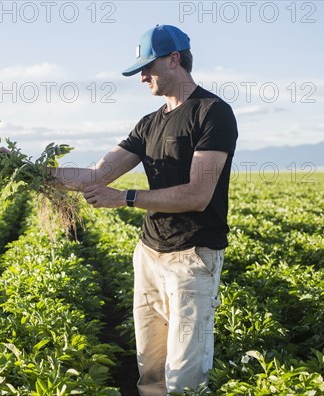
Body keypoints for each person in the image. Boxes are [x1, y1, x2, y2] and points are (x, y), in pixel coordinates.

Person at [46, 24, 238, 394]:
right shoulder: (149, 123)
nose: (142, 77)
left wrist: (125, 198)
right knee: (150, 374)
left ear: (174, 59)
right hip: (150, 255)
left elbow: (198, 194)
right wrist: (29, 170)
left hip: (193, 257)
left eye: (147, 67)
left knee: (185, 378)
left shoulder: (212, 113)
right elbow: (96, 173)